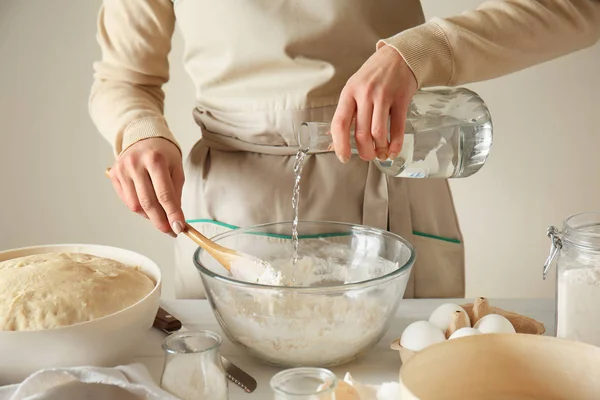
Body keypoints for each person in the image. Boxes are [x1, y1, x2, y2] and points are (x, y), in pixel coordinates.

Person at [90, 0, 600, 299]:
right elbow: (123, 78)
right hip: (229, 215)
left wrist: (421, 51)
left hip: (391, 184)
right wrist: (140, 132)